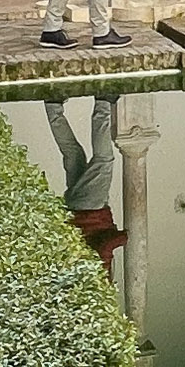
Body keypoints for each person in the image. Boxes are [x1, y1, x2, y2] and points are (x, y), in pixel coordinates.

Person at [44, 96, 127, 276]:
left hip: (91, 210)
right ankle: (52, 107)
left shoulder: (97, 276)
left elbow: (104, 246)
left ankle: (103, 102)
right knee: (73, 154)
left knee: (104, 159)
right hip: (74, 208)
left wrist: (124, 238)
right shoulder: (79, 273)